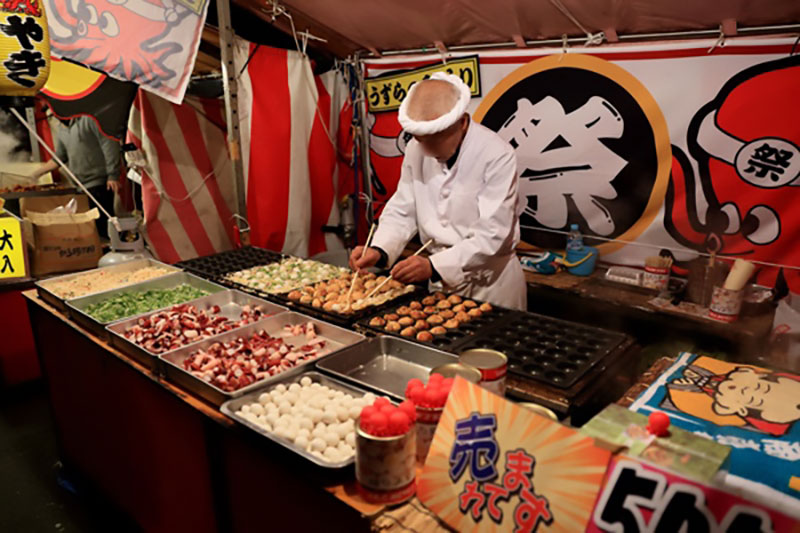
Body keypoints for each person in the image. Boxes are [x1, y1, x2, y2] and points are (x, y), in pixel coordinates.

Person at [349, 73, 527, 310]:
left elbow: (493, 234)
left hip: (491, 284)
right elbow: (404, 207)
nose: (427, 149)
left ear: (462, 122)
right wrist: (380, 250)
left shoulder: (496, 154)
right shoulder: (417, 148)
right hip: (439, 282)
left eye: (436, 139)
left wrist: (434, 266)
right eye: (420, 139)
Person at [31, 115, 121, 238]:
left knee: (104, 226)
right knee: (91, 229)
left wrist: (113, 175)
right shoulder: (62, 129)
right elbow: (59, 157)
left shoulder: (90, 120)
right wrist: (36, 174)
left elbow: (109, 144)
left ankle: (113, 250)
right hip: (80, 187)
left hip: (99, 183)